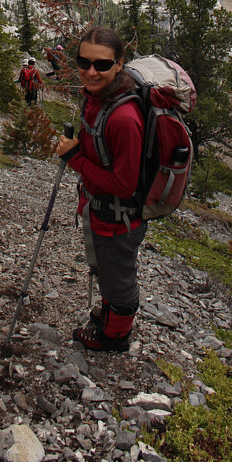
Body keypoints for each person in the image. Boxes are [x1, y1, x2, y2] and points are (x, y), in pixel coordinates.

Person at [56, 27, 145, 352]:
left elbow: (124, 185)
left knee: (119, 280)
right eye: (84, 61)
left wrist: (75, 158)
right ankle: (110, 314)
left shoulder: (123, 118)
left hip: (117, 218)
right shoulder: (99, 98)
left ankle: (114, 337)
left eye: (102, 65)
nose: (91, 71)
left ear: (119, 65)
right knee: (109, 271)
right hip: (103, 211)